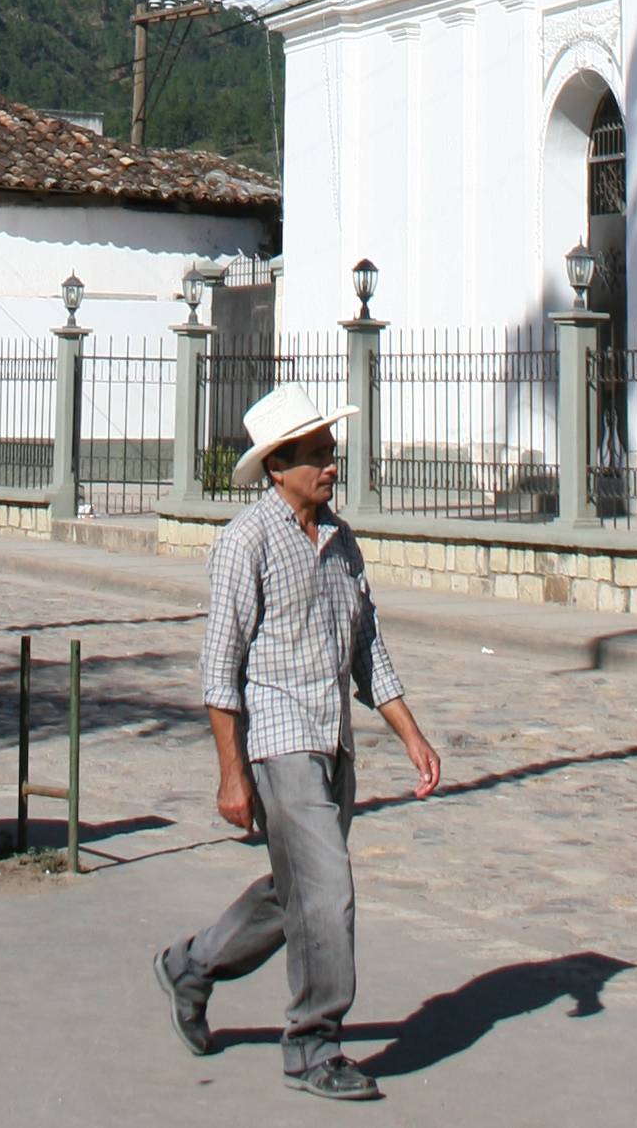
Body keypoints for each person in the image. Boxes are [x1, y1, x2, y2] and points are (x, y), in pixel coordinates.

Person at [155, 379, 440, 1103]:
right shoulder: (244, 544)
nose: (331, 467)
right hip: (278, 740)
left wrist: (412, 736)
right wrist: (231, 775)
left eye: (331, 453)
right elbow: (220, 669)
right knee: (329, 890)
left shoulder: (342, 543)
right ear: (277, 466)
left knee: (295, 894)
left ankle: (192, 966)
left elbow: (367, 650)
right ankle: (313, 1044)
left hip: (331, 742)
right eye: (316, 456)